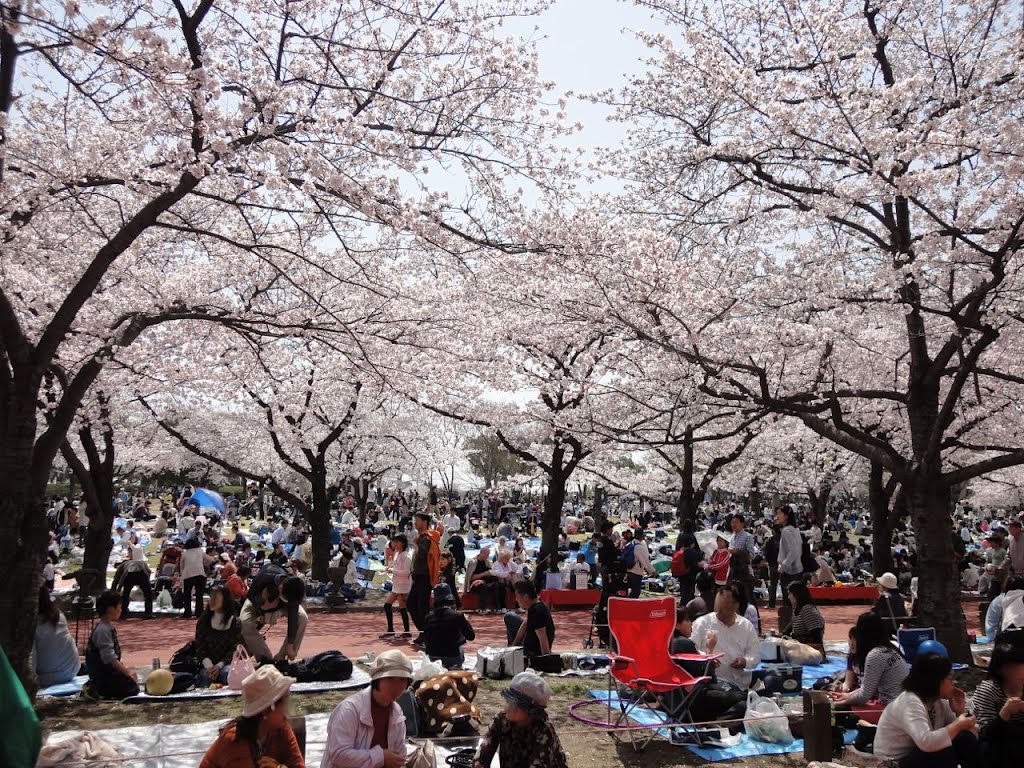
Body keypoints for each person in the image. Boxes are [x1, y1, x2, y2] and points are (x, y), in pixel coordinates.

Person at [873, 652, 980, 768]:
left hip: (918, 758)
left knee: (963, 738)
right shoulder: (910, 702)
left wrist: (959, 711)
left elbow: (972, 734)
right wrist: (958, 724)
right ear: (935, 680)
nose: (953, 683)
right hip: (893, 763)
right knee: (942, 749)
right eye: (949, 678)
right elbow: (927, 743)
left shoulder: (939, 701)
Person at [321, 649, 412, 768]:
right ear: (377, 681)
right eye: (390, 679)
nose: (397, 686)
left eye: (402, 680)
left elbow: (399, 752)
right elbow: (338, 755)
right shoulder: (349, 710)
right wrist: (381, 757)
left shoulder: (396, 712)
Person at [199, 665, 303, 768]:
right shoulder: (235, 741)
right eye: (285, 701)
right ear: (267, 709)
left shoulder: (281, 728)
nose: (288, 709)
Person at [475, 671, 567, 768]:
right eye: (508, 701)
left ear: (529, 711)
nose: (508, 707)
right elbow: (484, 751)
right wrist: (478, 764)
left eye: (514, 704)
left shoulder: (544, 730)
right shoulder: (501, 720)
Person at [830, 611, 909, 722]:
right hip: (902, 705)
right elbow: (865, 689)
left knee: (845, 710)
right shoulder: (890, 649)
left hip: (892, 710)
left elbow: (864, 696)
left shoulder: (875, 655)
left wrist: (841, 702)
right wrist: (846, 696)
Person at [690, 584, 759, 689]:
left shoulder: (746, 626)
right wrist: (707, 658)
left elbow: (755, 655)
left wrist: (745, 661)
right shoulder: (702, 623)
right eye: (721, 605)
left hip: (741, 684)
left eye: (729, 604)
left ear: (736, 605)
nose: (721, 609)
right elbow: (691, 650)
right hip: (713, 681)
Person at [972, 641, 1024, 768]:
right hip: (999, 749)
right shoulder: (989, 690)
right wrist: (1004, 714)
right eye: (1019, 665)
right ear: (1004, 670)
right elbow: (985, 733)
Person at [241, 568, 308, 663]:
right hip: (258, 602)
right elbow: (251, 597)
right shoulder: (263, 578)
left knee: (302, 618)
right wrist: (262, 610)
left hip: (279, 606)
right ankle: (265, 659)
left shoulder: (292, 586)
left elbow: (293, 618)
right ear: (280, 588)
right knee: (244, 622)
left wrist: (290, 645)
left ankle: (281, 657)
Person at [83, 590, 140, 700]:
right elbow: (110, 658)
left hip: (107, 672)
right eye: (119, 607)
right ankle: (95, 689)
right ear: (110, 609)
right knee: (132, 688)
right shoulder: (103, 630)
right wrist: (127, 673)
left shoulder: (107, 627)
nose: (121, 609)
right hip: (102, 675)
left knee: (130, 682)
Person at [193, 585, 242, 687]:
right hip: (207, 665)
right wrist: (210, 666)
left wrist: (220, 665)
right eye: (211, 597)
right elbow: (200, 646)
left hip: (226, 664)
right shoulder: (203, 621)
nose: (212, 600)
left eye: (216, 597)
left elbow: (234, 648)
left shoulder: (234, 622)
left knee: (226, 674)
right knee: (206, 677)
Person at [33, 586, 80, 687]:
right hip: (73, 668)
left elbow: (32, 659)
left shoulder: (33, 624)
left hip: (51, 677)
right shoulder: (58, 614)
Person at [423, 584, 476, 669]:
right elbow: (471, 636)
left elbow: (426, 638)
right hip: (452, 658)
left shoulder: (428, 617)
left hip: (432, 659)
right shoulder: (457, 615)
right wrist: (465, 621)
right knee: (460, 645)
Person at [408, 512, 440, 641]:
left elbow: (422, 554)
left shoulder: (426, 538)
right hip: (418, 576)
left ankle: (427, 634)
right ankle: (424, 632)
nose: (415, 523)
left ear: (425, 522)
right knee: (412, 604)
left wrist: (415, 545)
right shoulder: (421, 537)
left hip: (424, 576)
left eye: (418, 520)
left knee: (422, 607)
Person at [504, 581, 555, 661]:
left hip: (532, 653)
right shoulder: (536, 605)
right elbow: (525, 624)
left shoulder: (537, 612)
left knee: (509, 616)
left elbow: (543, 639)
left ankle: (513, 657)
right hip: (528, 642)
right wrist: (513, 646)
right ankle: (511, 653)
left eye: (517, 596)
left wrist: (546, 660)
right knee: (510, 617)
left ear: (526, 597)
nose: (516, 599)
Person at [780, 582, 825, 660]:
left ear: (797, 595)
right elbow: (790, 627)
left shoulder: (807, 610)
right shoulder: (797, 608)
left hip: (809, 649)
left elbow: (816, 634)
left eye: (790, 594)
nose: (788, 597)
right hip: (799, 645)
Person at [380, 533, 412, 639]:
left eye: (396, 542)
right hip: (397, 584)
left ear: (402, 543)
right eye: (393, 541)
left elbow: (406, 572)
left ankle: (400, 631)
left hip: (403, 585)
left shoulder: (406, 556)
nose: (394, 544)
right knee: (400, 607)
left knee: (392, 606)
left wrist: (392, 570)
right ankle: (401, 631)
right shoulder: (397, 554)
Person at [775, 505, 803, 592]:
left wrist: (783, 565)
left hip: (789, 571)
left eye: (779, 514)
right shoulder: (795, 530)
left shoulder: (786, 531)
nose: (777, 517)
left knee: (789, 598)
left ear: (786, 516)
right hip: (797, 568)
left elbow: (793, 550)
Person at [622, 529, 656, 599]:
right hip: (636, 572)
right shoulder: (639, 547)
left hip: (628, 570)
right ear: (641, 536)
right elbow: (645, 561)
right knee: (636, 592)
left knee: (630, 591)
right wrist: (652, 571)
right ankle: (631, 606)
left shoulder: (629, 544)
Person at [179, 537, 207, 619]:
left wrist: (182, 575)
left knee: (187, 595)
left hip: (188, 575)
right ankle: (199, 613)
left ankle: (187, 612)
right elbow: (209, 559)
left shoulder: (184, 553)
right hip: (200, 574)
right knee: (199, 595)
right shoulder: (200, 551)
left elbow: (181, 566)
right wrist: (203, 563)